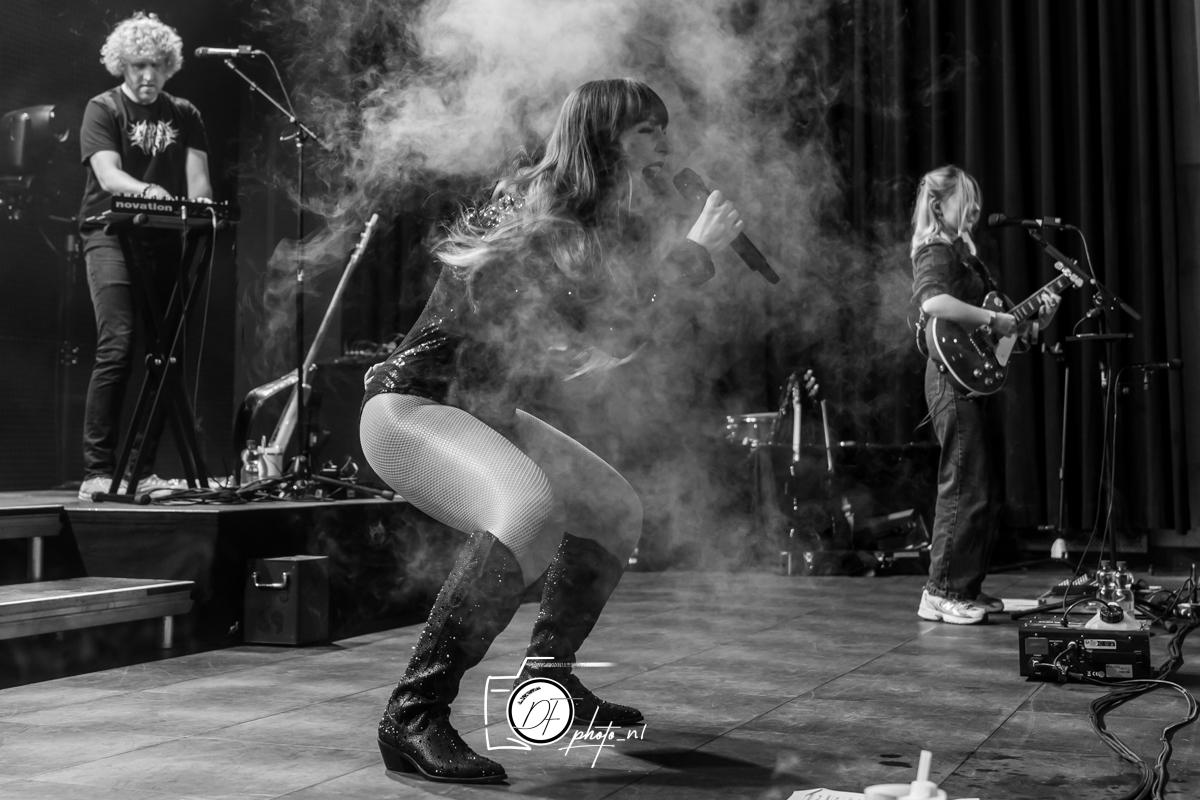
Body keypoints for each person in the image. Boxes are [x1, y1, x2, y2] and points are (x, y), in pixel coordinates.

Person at [359, 78, 744, 783]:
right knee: (530, 512)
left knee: (612, 510)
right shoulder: (539, 208)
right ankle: (412, 715)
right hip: (412, 408)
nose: (664, 145)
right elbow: (593, 319)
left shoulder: (601, 222)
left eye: (663, 130)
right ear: (605, 139)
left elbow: (609, 340)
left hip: (486, 414)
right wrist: (690, 255)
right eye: (647, 131)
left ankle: (550, 681)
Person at [909, 165, 1059, 624]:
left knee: (982, 488)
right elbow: (932, 302)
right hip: (949, 381)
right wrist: (994, 319)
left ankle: (965, 587)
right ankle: (939, 592)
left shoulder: (966, 258)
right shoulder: (935, 250)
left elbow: (1002, 344)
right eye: (965, 200)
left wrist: (1036, 322)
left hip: (970, 380)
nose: (974, 208)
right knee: (963, 484)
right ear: (938, 205)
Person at [77, 11, 213, 501]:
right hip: (109, 235)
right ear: (123, 66)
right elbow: (109, 176)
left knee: (165, 355)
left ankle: (141, 472)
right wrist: (148, 191)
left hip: (162, 239)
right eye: (138, 66)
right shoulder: (103, 108)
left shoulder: (185, 114)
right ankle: (97, 471)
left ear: (169, 65)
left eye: (156, 65)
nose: (148, 75)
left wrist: (200, 210)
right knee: (118, 344)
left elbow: (199, 186)